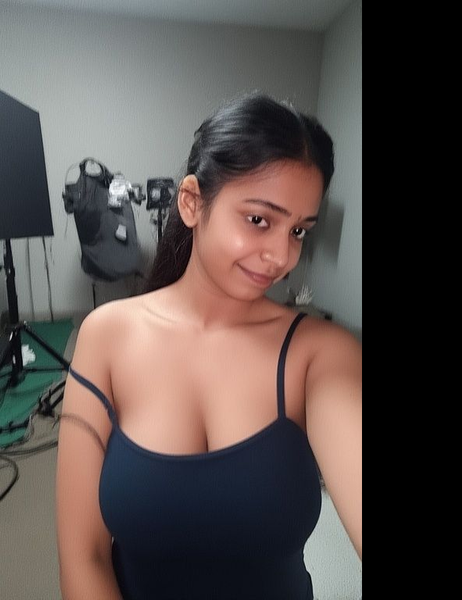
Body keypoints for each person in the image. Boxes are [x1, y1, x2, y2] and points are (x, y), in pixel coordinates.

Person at [55, 91, 361, 600]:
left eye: (298, 231)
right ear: (193, 202)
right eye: (260, 220)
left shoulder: (320, 355)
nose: (282, 256)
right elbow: (83, 554)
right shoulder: (106, 336)